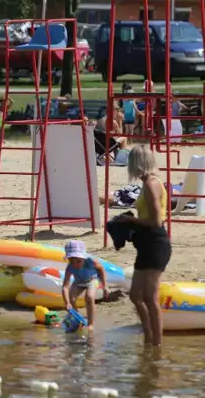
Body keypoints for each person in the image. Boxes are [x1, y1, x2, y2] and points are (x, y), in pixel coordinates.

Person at [115, 145, 171, 346]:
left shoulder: (151, 185)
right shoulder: (148, 183)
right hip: (147, 243)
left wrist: (130, 221)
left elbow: (156, 221)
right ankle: (149, 339)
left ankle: (156, 343)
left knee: (150, 297)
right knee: (136, 295)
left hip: (155, 243)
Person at [61, 240, 109, 331]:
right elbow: (65, 287)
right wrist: (67, 303)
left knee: (89, 297)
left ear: (83, 258)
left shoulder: (91, 262)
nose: (75, 264)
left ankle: (90, 324)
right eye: (72, 261)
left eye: (78, 261)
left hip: (92, 279)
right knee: (71, 297)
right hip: (79, 281)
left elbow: (101, 270)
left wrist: (104, 286)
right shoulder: (70, 267)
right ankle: (78, 318)